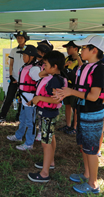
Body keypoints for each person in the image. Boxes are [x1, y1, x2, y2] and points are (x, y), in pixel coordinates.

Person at [53, 35, 104, 194]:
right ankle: (87, 173)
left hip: (93, 113)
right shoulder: (87, 66)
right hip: (83, 111)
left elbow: (94, 96)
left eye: (84, 48)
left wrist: (70, 92)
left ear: (94, 50)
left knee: (91, 149)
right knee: (84, 146)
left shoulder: (99, 69)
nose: (81, 51)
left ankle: (93, 184)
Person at [27, 51, 67, 183]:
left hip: (48, 114)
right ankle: (51, 162)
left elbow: (57, 100)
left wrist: (38, 98)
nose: (43, 67)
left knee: (46, 143)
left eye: (45, 64)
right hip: (48, 114)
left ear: (54, 66)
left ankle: (44, 173)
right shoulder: (55, 76)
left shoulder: (55, 81)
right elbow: (41, 75)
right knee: (50, 137)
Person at [6, 45, 41, 150]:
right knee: (22, 118)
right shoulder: (24, 67)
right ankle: (19, 136)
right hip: (23, 96)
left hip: (30, 98)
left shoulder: (35, 69)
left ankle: (29, 143)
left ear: (31, 57)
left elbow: (39, 85)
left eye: (25, 55)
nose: (23, 57)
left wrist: (34, 98)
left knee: (31, 121)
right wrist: (19, 95)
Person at [0, 31, 29, 123]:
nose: (19, 39)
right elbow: (11, 64)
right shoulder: (13, 50)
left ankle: (19, 116)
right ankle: (2, 116)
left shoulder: (29, 50)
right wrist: (11, 75)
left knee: (23, 99)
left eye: (21, 37)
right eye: (18, 37)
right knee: (9, 97)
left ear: (25, 39)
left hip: (25, 80)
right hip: (15, 78)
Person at [58, 41, 82, 135]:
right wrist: (65, 65)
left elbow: (83, 69)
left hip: (76, 87)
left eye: (69, 48)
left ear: (76, 49)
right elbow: (60, 69)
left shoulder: (82, 58)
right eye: (66, 48)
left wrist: (78, 58)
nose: (67, 50)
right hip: (66, 86)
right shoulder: (67, 58)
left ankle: (74, 127)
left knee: (75, 107)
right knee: (67, 105)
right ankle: (68, 125)